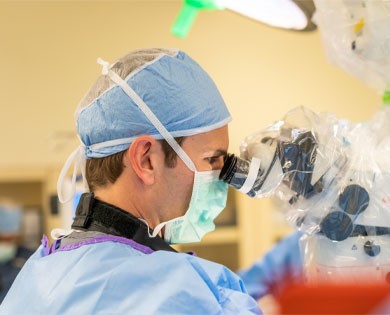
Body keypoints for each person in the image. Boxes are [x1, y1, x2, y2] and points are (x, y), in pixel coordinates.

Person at [0, 48, 261, 314]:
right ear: (146, 159)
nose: (223, 176)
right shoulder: (175, 291)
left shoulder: (38, 276)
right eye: (211, 159)